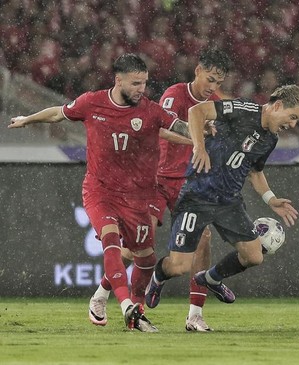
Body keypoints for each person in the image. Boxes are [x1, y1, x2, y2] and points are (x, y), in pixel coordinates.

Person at [8, 53, 192, 332]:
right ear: (118, 80)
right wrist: (28, 119)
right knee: (111, 241)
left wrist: (202, 134)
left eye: (144, 83)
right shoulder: (91, 102)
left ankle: (118, 304)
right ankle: (126, 307)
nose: (141, 89)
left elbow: (176, 125)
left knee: (146, 258)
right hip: (100, 190)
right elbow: (59, 112)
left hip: (139, 195)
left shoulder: (150, 110)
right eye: (135, 83)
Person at [88, 48, 233, 332]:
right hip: (156, 179)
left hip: (190, 183)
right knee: (137, 249)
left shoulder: (215, 104)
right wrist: (196, 140)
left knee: (203, 240)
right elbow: (158, 129)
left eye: (218, 82)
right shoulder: (174, 95)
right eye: (210, 78)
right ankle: (102, 294)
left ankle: (194, 316)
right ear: (198, 71)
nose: (213, 86)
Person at [145, 85, 299, 317]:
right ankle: (158, 276)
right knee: (179, 267)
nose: (292, 125)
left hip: (229, 202)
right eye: (292, 117)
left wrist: (271, 199)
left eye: (296, 121)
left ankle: (210, 278)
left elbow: (255, 172)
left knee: (254, 256)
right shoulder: (243, 109)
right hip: (196, 196)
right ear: (278, 105)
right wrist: (199, 147)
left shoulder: (269, 139)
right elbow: (196, 112)